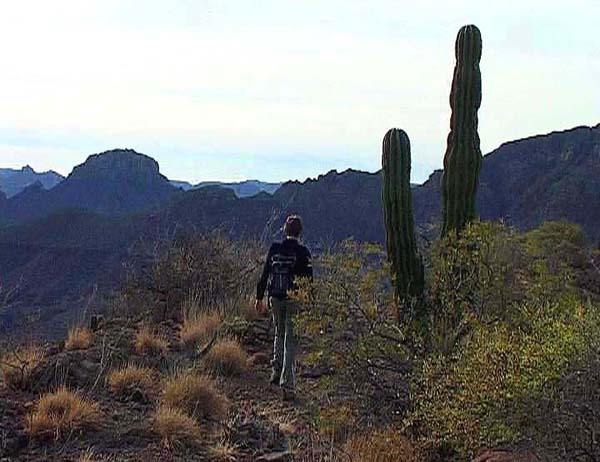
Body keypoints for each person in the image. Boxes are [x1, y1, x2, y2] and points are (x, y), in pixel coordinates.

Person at [255, 215, 312, 401]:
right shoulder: (303, 252)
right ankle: (287, 385)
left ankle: (276, 370)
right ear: (299, 232)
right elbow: (309, 282)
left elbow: (265, 274)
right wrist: (310, 301)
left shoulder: (274, 249)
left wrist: (259, 297)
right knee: (290, 340)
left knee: (279, 333)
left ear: (285, 230)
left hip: (275, 298)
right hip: (293, 300)